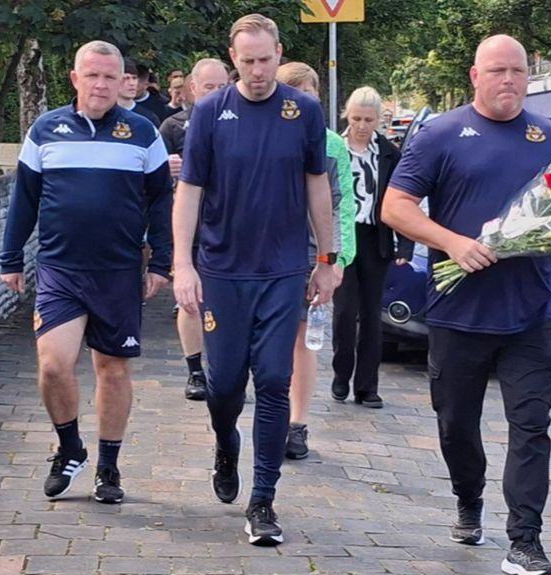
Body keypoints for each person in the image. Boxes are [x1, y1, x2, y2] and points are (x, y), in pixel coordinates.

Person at [382, 35, 551, 575]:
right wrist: (453, 242)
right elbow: (395, 208)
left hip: (532, 311)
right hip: (458, 310)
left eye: (517, 71)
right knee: (456, 425)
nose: (509, 80)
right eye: (497, 71)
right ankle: (469, 499)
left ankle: (526, 540)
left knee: (532, 425)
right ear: (475, 75)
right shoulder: (440, 135)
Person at [173, 14, 337, 547]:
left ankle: (263, 500)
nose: (258, 70)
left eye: (266, 59)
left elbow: (318, 189)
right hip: (222, 269)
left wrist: (326, 259)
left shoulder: (304, 111)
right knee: (223, 387)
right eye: (247, 61)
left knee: (272, 382)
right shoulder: (211, 112)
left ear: (278, 52)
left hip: (283, 269)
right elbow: (190, 192)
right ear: (233, 57)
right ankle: (226, 441)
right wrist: (183, 262)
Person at [0, 40, 172, 505]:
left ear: (123, 83)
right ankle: (70, 447)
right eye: (92, 75)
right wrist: (10, 257)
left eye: (110, 77)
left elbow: (160, 199)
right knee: (54, 365)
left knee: (111, 370)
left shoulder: (142, 132)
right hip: (60, 268)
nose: (101, 84)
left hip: (117, 271)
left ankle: (109, 468)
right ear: (75, 78)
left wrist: (162, 261)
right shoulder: (46, 130)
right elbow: (25, 199)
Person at [275, 61, 357, 460]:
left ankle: (297, 424)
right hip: (269, 255)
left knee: (303, 342)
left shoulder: (331, 144)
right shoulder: (265, 132)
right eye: (297, 94)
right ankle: (269, 415)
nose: (305, 103)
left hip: (313, 254)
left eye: (311, 95)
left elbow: (344, 204)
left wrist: (337, 258)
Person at [331, 86, 413, 409]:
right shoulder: (335, 148)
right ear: (346, 116)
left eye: (368, 119)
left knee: (371, 315)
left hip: (375, 239)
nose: (362, 125)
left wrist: (405, 245)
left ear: (379, 120)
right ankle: (341, 375)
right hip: (342, 238)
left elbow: (401, 200)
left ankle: (367, 386)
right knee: (345, 311)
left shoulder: (389, 153)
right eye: (356, 118)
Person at [159, 58, 230, 401]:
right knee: (190, 301)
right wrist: (167, 169)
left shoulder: (241, 121)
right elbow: (152, 179)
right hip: (190, 226)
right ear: (192, 89)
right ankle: (195, 371)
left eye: (222, 86)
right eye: (209, 87)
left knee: (229, 303)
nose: (216, 93)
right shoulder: (172, 127)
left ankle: (226, 368)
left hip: (231, 226)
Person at [119, 58, 161, 127]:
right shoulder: (101, 113)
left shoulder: (149, 118)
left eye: (134, 78)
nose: (132, 83)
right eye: (126, 78)